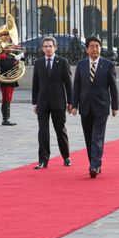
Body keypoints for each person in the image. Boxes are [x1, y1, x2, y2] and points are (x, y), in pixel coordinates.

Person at [71, 36, 119, 178]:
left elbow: (113, 87)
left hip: (101, 106)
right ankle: (94, 162)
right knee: (88, 138)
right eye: (91, 46)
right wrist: (74, 105)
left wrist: (115, 106)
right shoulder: (81, 65)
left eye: (97, 46)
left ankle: (94, 165)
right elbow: (77, 86)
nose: (94, 49)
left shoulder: (108, 65)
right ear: (87, 49)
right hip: (85, 106)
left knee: (97, 137)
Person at [31, 36, 73, 169]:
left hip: (58, 102)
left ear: (55, 47)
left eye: (50, 46)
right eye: (45, 46)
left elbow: (68, 84)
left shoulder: (62, 62)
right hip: (42, 102)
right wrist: (35, 102)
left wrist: (70, 101)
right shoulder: (38, 63)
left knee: (60, 130)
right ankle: (43, 160)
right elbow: (35, 85)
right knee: (43, 131)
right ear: (42, 49)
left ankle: (66, 156)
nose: (48, 48)